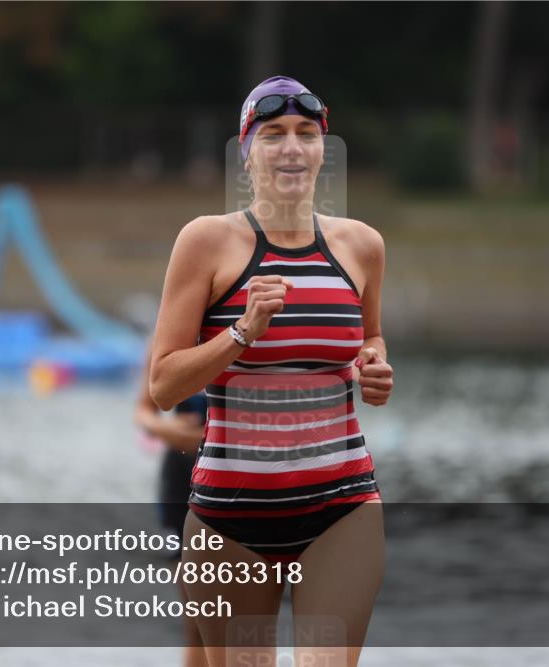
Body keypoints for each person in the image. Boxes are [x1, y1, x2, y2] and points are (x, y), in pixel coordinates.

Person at [148, 75, 394, 667]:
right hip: (231, 516)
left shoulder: (361, 246)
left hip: (343, 505)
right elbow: (162, 386)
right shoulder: (207, 241)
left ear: (322, 149)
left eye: (306, 134)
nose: (291, 148)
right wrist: (240, 334)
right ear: (246, 151)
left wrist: (377, 365)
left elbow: (372, 336)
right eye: (274, 134)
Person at [134, 341, 210, 667]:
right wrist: (166, 429)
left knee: (240, 618)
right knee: (196, 621)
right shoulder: (172, 336)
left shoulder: (249, 329)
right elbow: (143, 411)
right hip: (181, 480)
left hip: (235, 477)